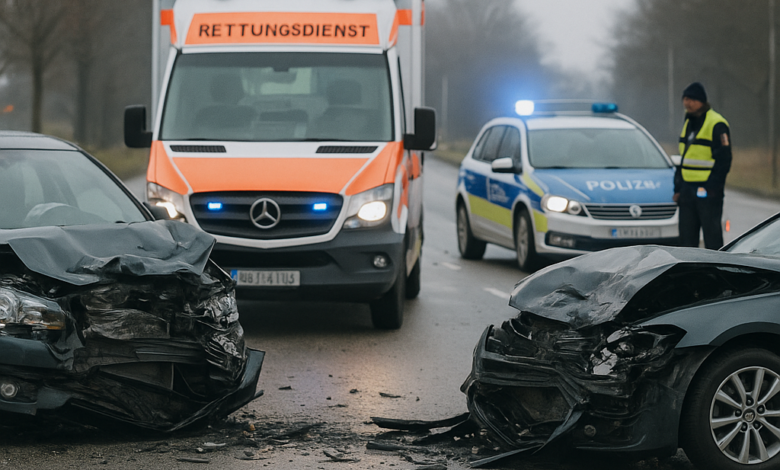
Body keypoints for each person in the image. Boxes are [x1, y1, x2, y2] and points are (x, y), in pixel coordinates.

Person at [673, 82, 731, 249]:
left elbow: (724, 160)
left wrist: (712, 187)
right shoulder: (688, 122)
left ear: (701, 101)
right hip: (687, 191)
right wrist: (678, 188)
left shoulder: (717, 123)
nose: (687, 103)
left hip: (708, 192)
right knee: (686, 241)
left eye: (691, 99)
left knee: (712, 239)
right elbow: (683, 159)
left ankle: (715, 266)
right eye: (685, 99)